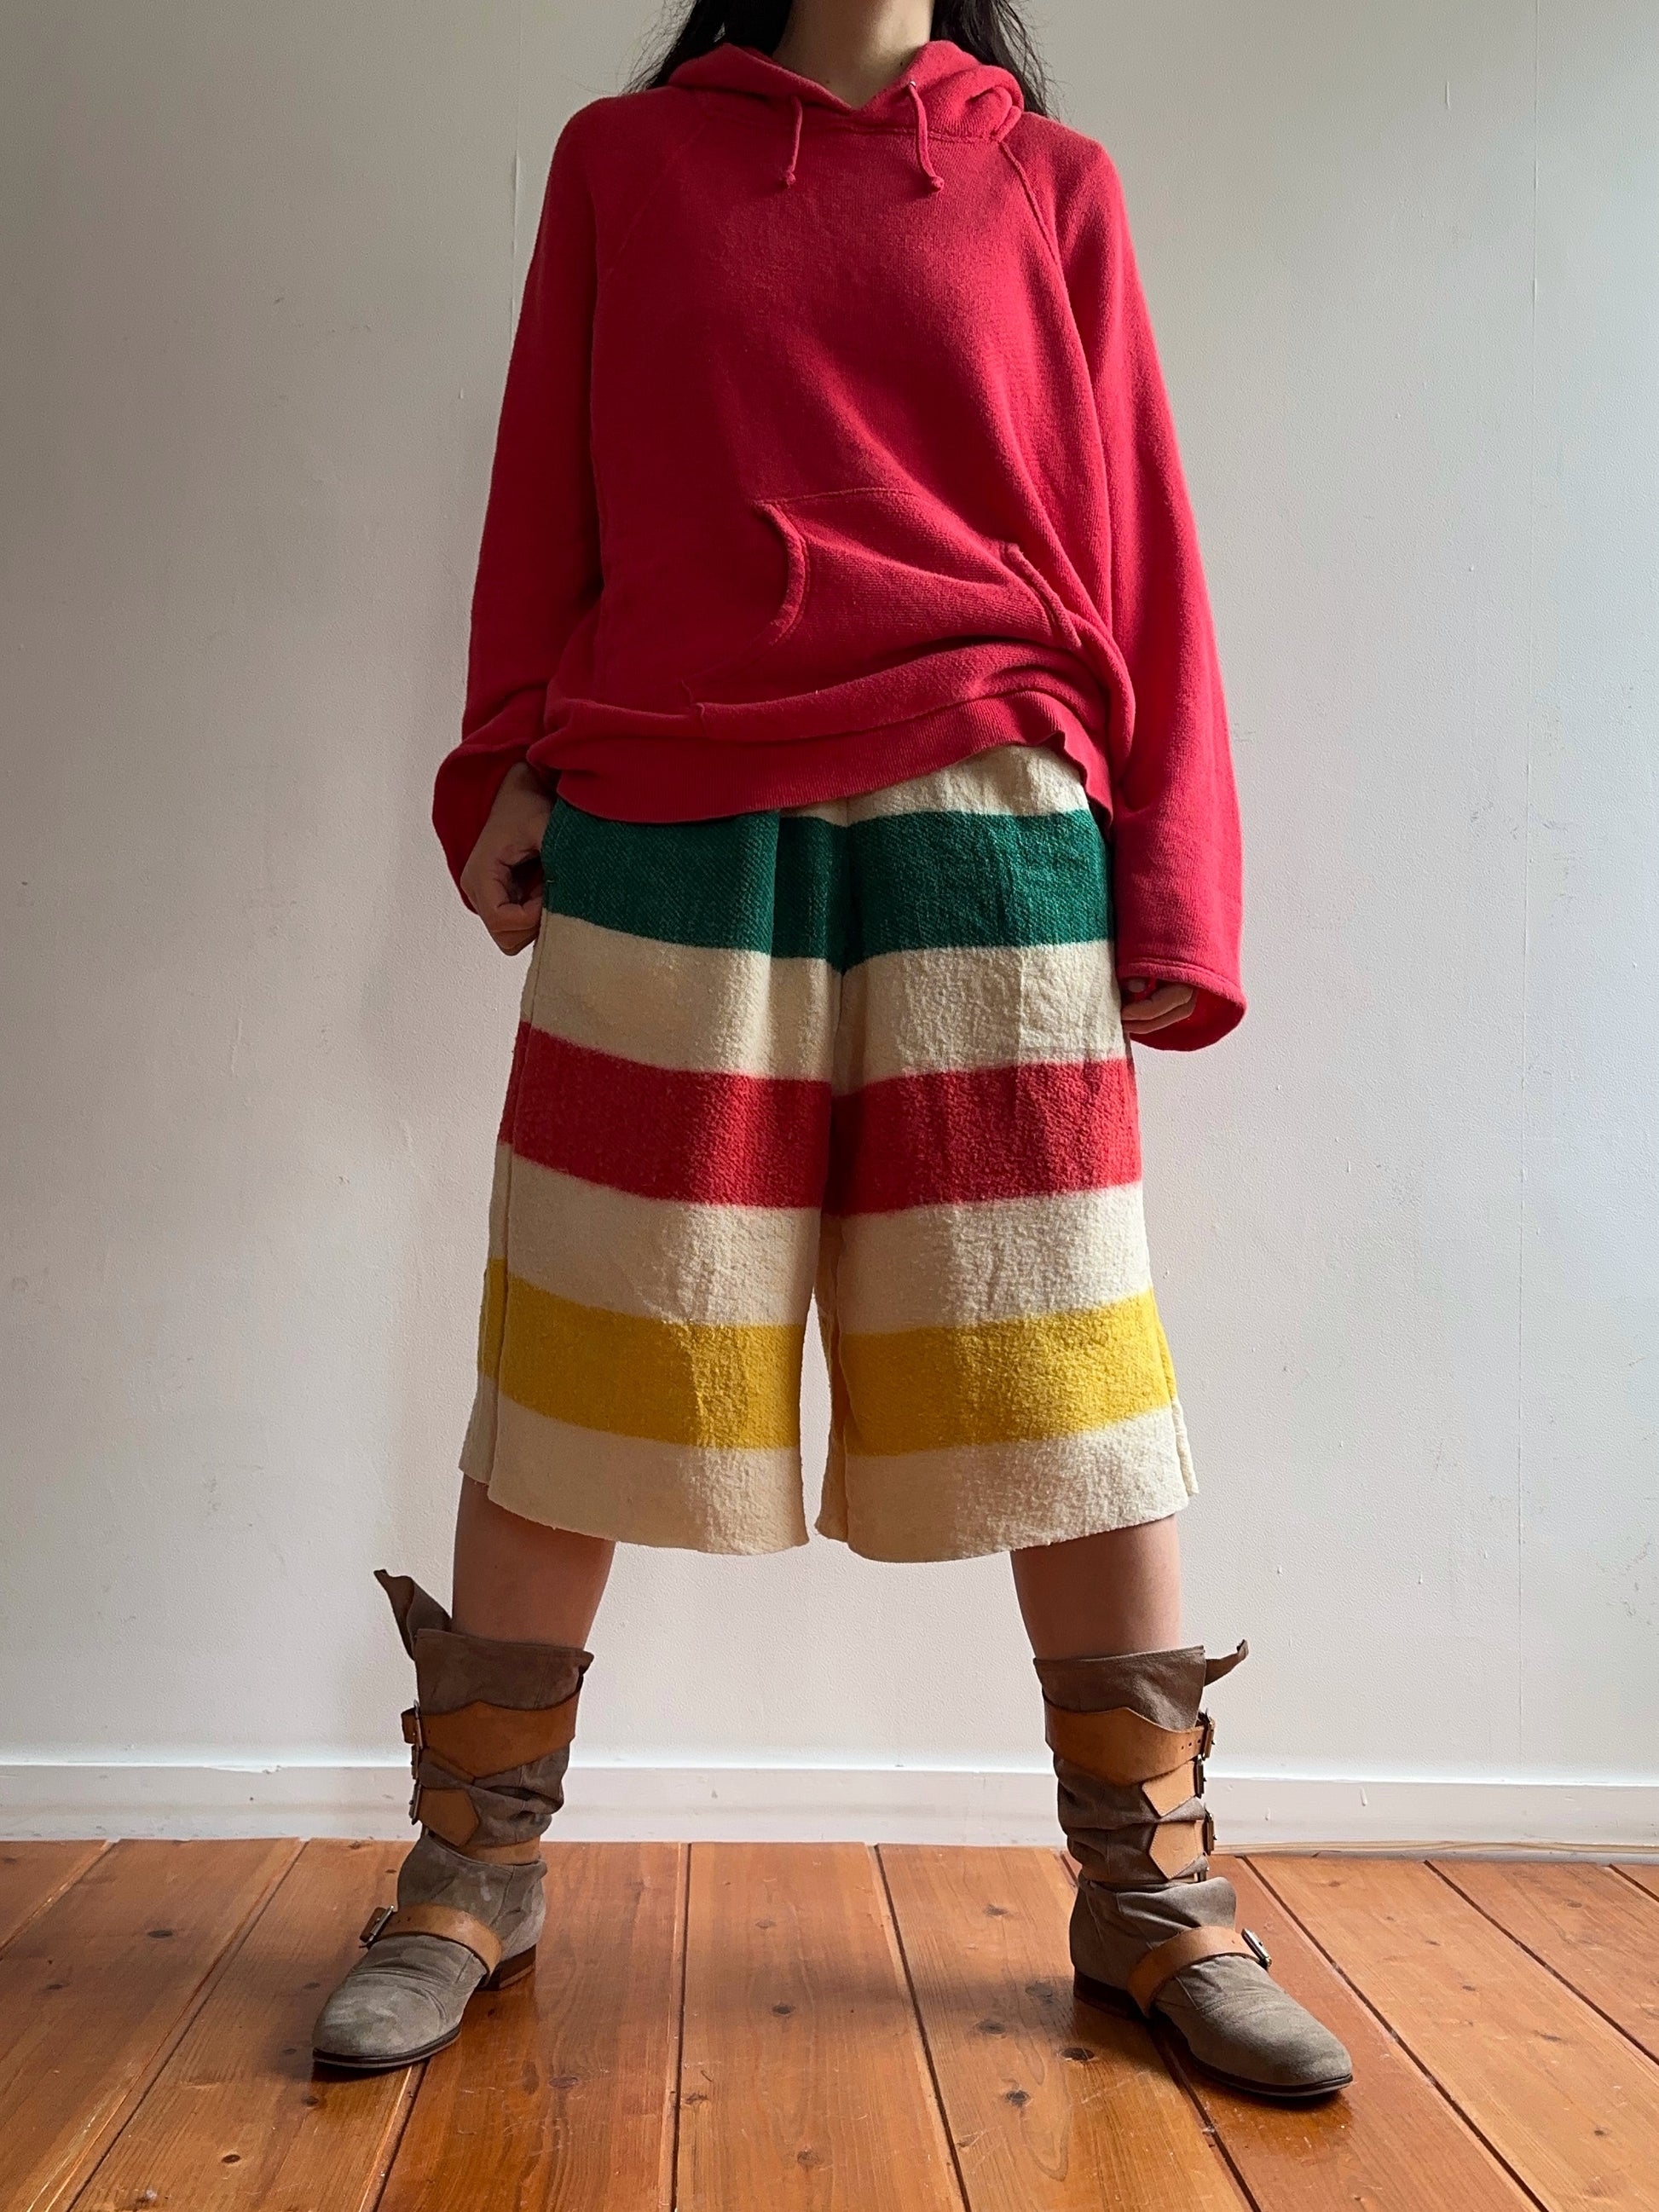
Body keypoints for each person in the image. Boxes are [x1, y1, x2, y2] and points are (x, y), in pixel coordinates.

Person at [311, 0, 1351, 2102]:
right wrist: (500, 751)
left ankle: (1152, 1897)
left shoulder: (1049, 182)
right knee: (593, 1345)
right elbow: (544, 482)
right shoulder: (625, 164)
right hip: (667, 805)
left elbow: (1139, 540)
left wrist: (1177, 883)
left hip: (991, 806)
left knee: (1056, 1362)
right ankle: (467, 1873)